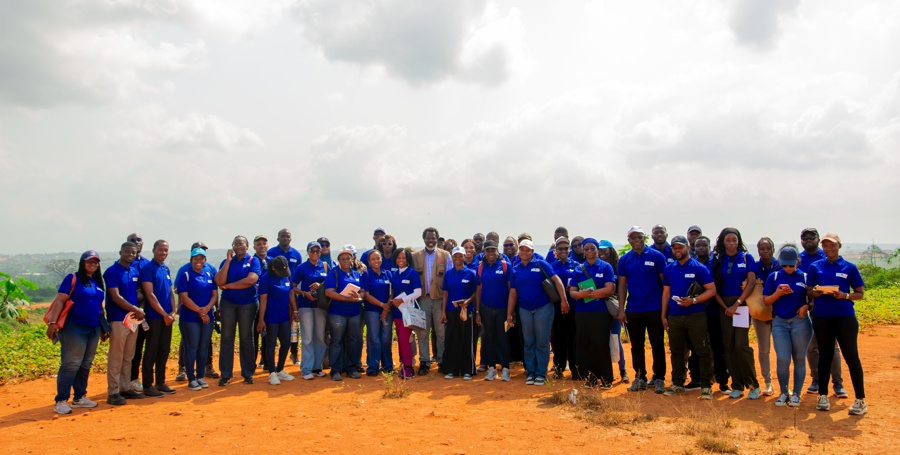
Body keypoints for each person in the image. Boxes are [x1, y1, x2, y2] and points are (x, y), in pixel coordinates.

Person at [806, 233, 867, 415]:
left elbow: (860, 293)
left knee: (851, 357)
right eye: (825, 246)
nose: (828, 249)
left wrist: (844, 295)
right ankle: (823, 396)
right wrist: (814, 293)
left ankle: (860, 400)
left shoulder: (849, 267)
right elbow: (809, 290)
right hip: (822, 316)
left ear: (839, 246)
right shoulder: (815, 266)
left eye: (832, 245)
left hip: (844, 317)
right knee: (825, 355)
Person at [46, 250, 106, 414]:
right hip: (74, 327)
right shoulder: (73, 278)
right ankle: (61, 400)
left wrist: (103, 328)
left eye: (95, 262)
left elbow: (99, 307)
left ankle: (80, 397)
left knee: (86, 363)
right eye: (89, 261)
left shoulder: (97, 282)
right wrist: (52, 322)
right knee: (71, 363)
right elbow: (60, 300)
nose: (92, 264)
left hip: (93, 327)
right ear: (82, 263)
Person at [660, 236, 717, 399]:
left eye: (680, 247)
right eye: (674, 248)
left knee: (702, 350)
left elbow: (711, 290)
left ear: (687, 247)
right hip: (675, 316)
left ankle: (706, 385)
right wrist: (664, 315)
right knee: (676, 350)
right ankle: (678, 383)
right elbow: (666, 293)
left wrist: (693, 300)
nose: (677, 250)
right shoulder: (669, 268)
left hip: (695, 315)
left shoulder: (699, 268)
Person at [507, 239, 568, 386]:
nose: (524, 252)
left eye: (527, 250)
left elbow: (557, 280)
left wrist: (564, 300)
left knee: (542, 341)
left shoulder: (541, 264)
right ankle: (531, 372)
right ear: (519, 252)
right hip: (525, 309)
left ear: (532, 252)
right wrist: (509, 313)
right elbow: (513, 293)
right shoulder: (516, 269)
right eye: (522, 250)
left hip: (543, 308)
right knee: (529, 342)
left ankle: (541, 373)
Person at [618, 226, 668, 394]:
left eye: (639, 236)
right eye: (633, 237)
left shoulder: (657, 257)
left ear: (644, 238)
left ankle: (659, 378)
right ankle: (640, 377)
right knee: (636, 345)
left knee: (657, 344)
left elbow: (664, 284)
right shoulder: (625, 260)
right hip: (634, 309)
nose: (636, 239)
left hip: (654, 308)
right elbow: (622, 286)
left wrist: (664, 309)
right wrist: (621, 309)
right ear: (629, 240)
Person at [712, 227, 760, 399]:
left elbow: (752, 282)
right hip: (723, 305)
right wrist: (725, 306)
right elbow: (713, 286)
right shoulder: (717, 259)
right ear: (722, 242)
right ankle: (737, 385)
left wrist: (737, 304)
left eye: (734, 240)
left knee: (741, 345)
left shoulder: (746, 257)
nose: (731, 243)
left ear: (739, 240)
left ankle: (753, 384)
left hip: (742, 306)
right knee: (729, 346)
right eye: (728, 240)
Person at [763, 245, 812, 407]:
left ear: (797, 262)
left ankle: (797, 393)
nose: (788, 268)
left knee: (799, 359)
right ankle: (784, 392)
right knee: (783, 359)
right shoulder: (774, 277)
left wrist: (806, 307)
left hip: (800, 323)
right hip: (780, 322)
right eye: (784, 265)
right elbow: (766, 301)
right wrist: (778, 293)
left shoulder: (805, 278)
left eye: (791, 265)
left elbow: (813, 299)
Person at [799, 228, 845, 397]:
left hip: (829, 310)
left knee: (832, 347)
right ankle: (816, 379)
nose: (808, 240)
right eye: (805, 237)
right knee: (812, 347)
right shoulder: (799, 259)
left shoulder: (825, 257)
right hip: (809, 310)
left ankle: (837, 382)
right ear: (801, 240)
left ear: (818, 240)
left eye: (812, 237)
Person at [568, 238, 616, 388]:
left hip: (600, 312)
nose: (589, 251)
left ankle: (607, 379)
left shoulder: (606, 267)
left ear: (597, 249)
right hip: (582, 313)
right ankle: (591, 378)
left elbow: (610, 289)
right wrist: (582, 295)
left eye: (592, 248)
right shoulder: (578, 269)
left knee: (600, 344)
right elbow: (573, 292)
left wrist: (590, 294)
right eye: (586, 248)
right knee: (586, 345)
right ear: (583, 250)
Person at [215, 235, 262, 386]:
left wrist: (228, 286)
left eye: (241, 243)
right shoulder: (226, 262)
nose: (238, 246)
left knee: (246, 337)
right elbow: (219, 281)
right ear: (232, 247)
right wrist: (228, 261)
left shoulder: (253, 261)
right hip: (228, 303)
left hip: (248, 303)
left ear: (247, 246)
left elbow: (251, 280)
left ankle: (248, 373)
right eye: (235, 244)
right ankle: (226, 374)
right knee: (227, 338)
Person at [103, 242, 145, 405]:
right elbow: (115, 296)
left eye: (133, 252)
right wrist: (136, 308)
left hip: (133, 319)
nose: (130, 254)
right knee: (116, 356)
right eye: (127, 251)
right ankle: (113, 392)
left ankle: (124, 387)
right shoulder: (112, 272)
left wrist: (139, 310)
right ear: (120, 252)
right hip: (119, 318)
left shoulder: (134, 271)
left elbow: (138, 293)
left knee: (128, 355)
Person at [174, 247, 218, 391]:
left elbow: (214, 294)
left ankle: (200, 377)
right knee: (191, 348)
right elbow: (183, 297)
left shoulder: (208, 274)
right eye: (195, 258)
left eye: (201, 258)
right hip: (190, 317)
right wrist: (201, 312)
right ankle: (191, 378)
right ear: (191, 260)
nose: (198, 261)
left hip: (207, 317)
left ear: (205, 260)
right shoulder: (185, 274)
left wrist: (207, 310)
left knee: (203, 348)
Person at [139, 240, 177, 398]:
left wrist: (173, 312)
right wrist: (164, 314)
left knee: (164, 350)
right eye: (160, 250)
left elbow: (170, 292)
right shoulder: (148, 268)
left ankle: (160, 382)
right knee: (151, 350)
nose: (163, 252)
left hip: (167, 317)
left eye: (166, 250)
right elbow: (149, 294)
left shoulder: (165, 268)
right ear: (154, 250)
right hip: (155, 317)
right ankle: (148, 385)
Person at [412, 227, 450, 375]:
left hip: (440, 300)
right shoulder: (415, 256)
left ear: (437, 239)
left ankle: (441, 361)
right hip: (422, 300)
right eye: (428, 238)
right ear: (424, 239)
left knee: (441, 332)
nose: (431, 241)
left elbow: (449, 279)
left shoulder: (445, 256)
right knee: (422, 332)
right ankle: (424, 362)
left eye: (433, 238)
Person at [324, 248, 365, 380]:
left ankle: (351, 368)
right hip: (337, 313)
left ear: (352, 259)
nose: (346, 261)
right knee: (337, 341)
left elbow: (363, 291)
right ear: (339, 261)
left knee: (352, 340)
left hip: (354, 312)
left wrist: (359, 296)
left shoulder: (356, 275)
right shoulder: (334, 273)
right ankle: (336, 370)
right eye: (343, 259)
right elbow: (329, 292)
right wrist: (347, 299)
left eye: (348, 258)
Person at [257, 256, 298, 385]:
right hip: (271, 317)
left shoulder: (286, 277)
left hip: (284, 316)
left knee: (286, 342)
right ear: (274, 268)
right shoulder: (266, 279)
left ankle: (280, 369)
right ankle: (272, 372)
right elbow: (263, 300)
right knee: (271, 343)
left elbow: (291, 293)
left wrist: (295, 310)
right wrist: (261, 319)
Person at [292, 241, 330, 380]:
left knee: (319, 337)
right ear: (308, 252)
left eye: (317, 251)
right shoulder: (302, 268)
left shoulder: (325, 266)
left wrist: (320, 286)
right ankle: (306, 369)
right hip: (306, 305)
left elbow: (332, 283)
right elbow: (293, 286)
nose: (315, 254)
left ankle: (317, 366)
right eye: (312, 251)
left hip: (320, 306)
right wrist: (304, 294)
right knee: (307, 337)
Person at [695, 235, 728, 391]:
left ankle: (723, 381)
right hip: (696, 311)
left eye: (704, 245)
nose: (701, 248)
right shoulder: (692, 263)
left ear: (709, 247)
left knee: (717, 346)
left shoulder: (716, 263)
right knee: (698, 347)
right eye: (698, 245)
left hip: (714, 310)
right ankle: (698, 379)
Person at [475, 240, 511, 381]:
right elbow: (478, 291)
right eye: (487, 250)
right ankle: (492, 369)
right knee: (489, 338)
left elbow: (511, 289)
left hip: (502, 309)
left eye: (493, 250)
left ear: (497, 251)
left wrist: (511, 311)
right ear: (484, 252)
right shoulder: (481, 268)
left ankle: (506, 369)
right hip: (486, 308)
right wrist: (478, 312)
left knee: (503, 339)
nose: (490, 253)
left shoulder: (505, 266)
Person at [267, 229, 303, 366]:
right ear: (278, 239)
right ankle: (266, 358)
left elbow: (298, 274)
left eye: (288, 236)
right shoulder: (271, 253)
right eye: (282, 236)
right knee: (273, 329)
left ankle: (294, 353)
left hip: (291, 292)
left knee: (293, 326)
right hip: (276, 293)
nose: (285, 238)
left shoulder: (296, 254)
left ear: (291, 238)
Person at [442, 247, 478, 380]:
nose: (457, 259)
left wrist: (468, 301)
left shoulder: (471, 273)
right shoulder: (448, 273)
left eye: (460, 256)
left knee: (466, 340)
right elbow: (445, 294)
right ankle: (452, 370)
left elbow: (476, 292)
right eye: (455, 256)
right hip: (451, 312)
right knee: (452, 341)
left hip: (466, 311)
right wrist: (443, 312)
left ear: (464, 257)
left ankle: (468, 370)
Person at [390, 248, 422, 379]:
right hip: (396, 312)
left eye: (403, 258)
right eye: (398, 258)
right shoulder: (394, 274)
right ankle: (403, 365)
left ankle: (409, 367)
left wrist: (402, 300)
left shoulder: (412, 273)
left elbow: (418, 292)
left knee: (404, 340)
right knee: (401, 340)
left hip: (407, 311)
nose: (401, 260)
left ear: (408, 259)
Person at [598, 240, 628, 383]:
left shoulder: (618, 266)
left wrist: (621, 308)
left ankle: (623, 370)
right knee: (602, 340)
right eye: (600, 250)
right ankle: (606, 371)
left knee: (615, 339)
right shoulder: (597, 266)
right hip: (599, 309)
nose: (602, 252)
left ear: (611, 250)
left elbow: (623, 288)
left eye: (605, 249)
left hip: (614, 307)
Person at [753, 237, 780, 397]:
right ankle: (768, 383)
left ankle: (784, 384)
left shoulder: (780, 266)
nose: (765, 252)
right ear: (758, 251)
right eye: (762, 249)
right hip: (760, 313)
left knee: (782, 350)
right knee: (764, 349)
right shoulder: (755, 267)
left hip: (779, 314)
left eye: (767, 248)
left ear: (772, 249)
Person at [361, 250, 395, 376]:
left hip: (387, 310)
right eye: (373, 259)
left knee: (386, 338)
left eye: (378, 258)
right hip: (372, 311)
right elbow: (366, 295)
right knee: (374, 338)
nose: (376, 261)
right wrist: (382, 305)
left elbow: (392, 292)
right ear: (369, 262)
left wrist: (386, 308)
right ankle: (373, 366)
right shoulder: (366, 274)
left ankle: (387, 366)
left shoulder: (388, 274)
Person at [549, 237, 578, 379]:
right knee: (557, 340)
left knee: (573, 340)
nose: (563, 251)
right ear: (556, 251)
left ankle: (575, 370)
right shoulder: (551, 266)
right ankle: (559, 369)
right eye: (560, 249)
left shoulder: (578, 265)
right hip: (557, 309)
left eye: (566, 248)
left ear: (570, 250)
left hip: (574, 308)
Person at [127, 233, 151, 393]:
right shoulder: (124, 264)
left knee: (138, 346)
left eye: (139, 240)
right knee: (126, 349)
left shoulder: (147, 264)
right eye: (133, 240)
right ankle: (124, 379)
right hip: (125, 313)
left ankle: (134, 378)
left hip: (143, 314)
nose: (137, 243)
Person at [252, 234, 271, 371]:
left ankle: (265, 361)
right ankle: (251, 363)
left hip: (269, 302)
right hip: (253, 301)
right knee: (253, 333)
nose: (262, 246)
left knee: (267, 333)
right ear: (254, 247)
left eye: (264, 243)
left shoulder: (271, 261)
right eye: (259, 244)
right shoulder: (251, 261)